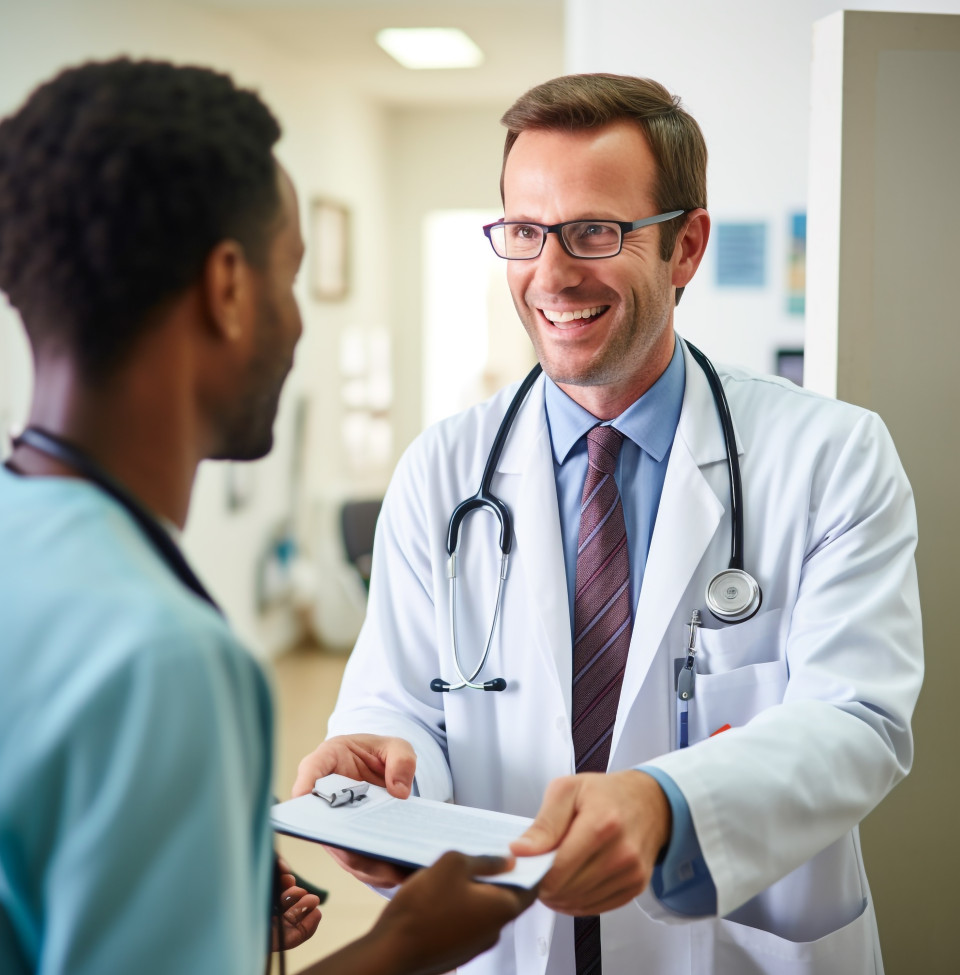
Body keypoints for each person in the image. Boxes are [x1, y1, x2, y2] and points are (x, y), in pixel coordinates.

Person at [293, 73, 924, 975]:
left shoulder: (832, 455)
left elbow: (857, 720)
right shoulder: (442, 469)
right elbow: (399, 701)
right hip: (505, 943)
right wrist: (386, 775)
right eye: (523, 232)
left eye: (595, 231)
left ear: (686, 246)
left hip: (734, 945)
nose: (550, 274)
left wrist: (667, 804)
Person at [0, 58, 533, 975]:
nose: (297, 324)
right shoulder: (162, 659)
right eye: (291, 277)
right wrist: (407, 944)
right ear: (229, 287)